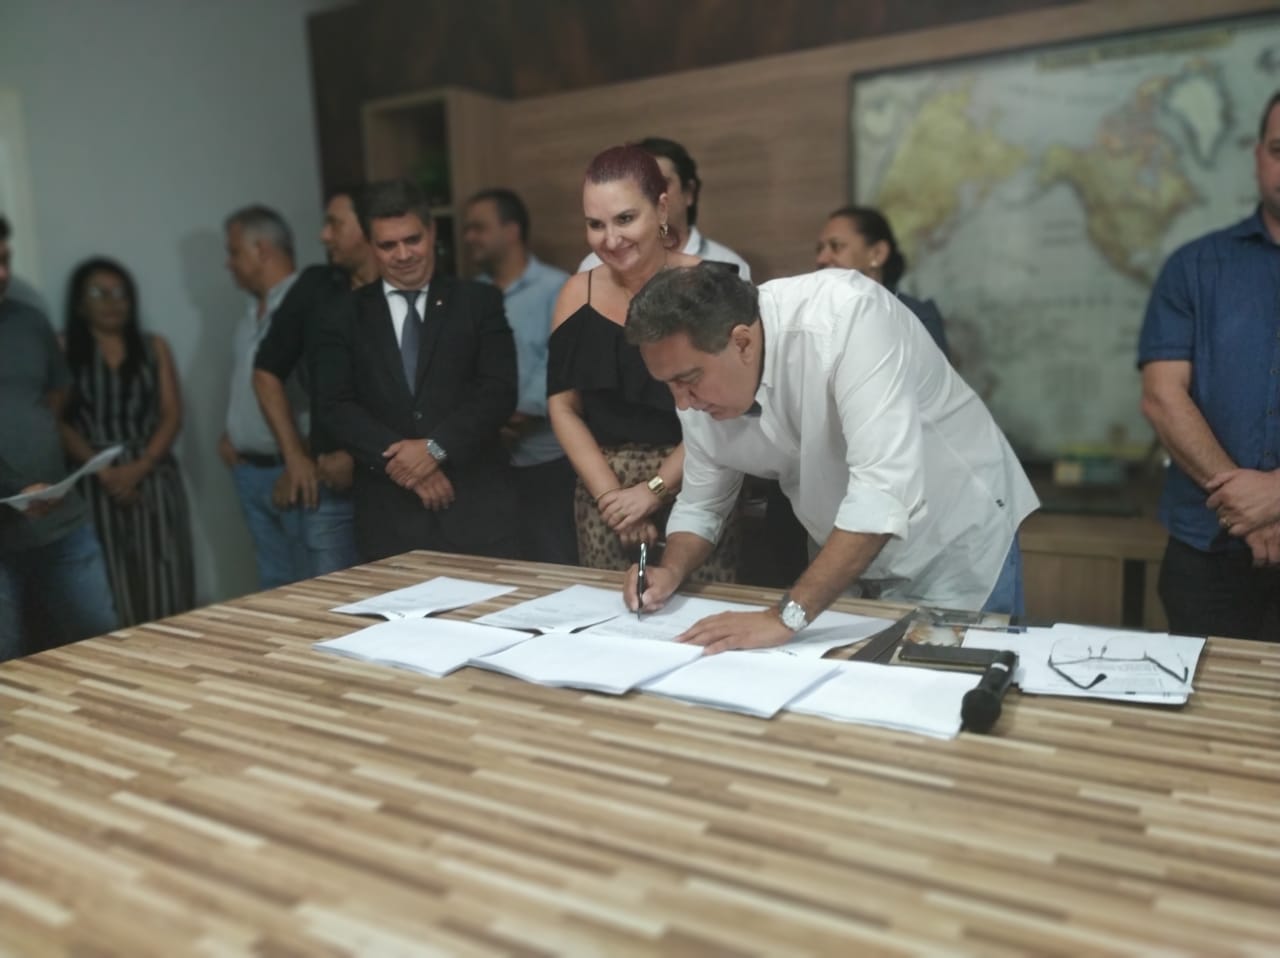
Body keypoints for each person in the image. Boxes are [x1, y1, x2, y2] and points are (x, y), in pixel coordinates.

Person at [623, 264, 1038, 654]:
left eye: (688, 381)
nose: (682, 402)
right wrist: (670, 571)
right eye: (668, 385)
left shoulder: (848, 318)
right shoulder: (699, 383)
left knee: (945, 690)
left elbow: (881, 493)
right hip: (844, 557)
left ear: (742, 342)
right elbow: (702, 505)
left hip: (949, 541)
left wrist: (784, 617)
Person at [549, 145, 741, 578]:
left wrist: (653, 490)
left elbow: (728, 407)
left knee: (703, 612)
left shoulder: (710, 284)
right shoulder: (575, 293)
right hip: (604, 495)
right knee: (607, 613)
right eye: (595, 224)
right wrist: (611, 498)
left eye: (625, 219)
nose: (610, 239)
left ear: (661, 209)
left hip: (698, 477)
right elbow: (563, 406)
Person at [314, 178, 520, 561]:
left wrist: (436, 449)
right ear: (370, 245)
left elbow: (498, 390)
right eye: (388, 245)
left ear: (432, 231)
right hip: (389, 518)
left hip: (476, 509)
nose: (403, 254)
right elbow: (334, 405)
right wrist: (408, 465)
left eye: (413, 240)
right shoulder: (341, 315)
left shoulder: (478, 302)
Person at [1137, 92, 1280, 641]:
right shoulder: (1194, 267)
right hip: (1207, 554)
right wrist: (1246, 508)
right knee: (1202, 698)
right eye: (1279, 149)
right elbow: (1162, 397)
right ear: (1257, 155)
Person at [0, 215, 117, 660]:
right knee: (11, 663)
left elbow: (56, 395)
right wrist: (15, 488)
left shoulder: (28, 321)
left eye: (6, 259)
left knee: (100, 642)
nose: (3, 273)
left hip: (61, 520)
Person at [252, 186, 379, 578]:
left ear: (368, 227)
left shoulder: (405, 288)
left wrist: (359, 456)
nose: (324, 236)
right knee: (334, 600)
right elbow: (266, 371)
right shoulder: (315, 286)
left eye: (334, 224)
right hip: (330, 488)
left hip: (397, 481)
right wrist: (294, 456)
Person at [60, 257, 195, 625]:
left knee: (165, 582)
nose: (112, 302)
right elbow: (57, 421)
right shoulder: (63, 348)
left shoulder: (154, 347)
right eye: (99, 293)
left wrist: (140, 467)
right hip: (92, 481)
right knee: (106, 587)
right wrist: (104, 472)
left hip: (152, 475)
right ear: (79, 303)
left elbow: (172, 415)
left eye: (120, 293)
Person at [463, 188, 577, 565]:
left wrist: (514, 413)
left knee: (556, 561)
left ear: (511, 230)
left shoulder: (558, 287)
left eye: (478, 228)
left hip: (549, 456)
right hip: (490, 457)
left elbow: (561, 360)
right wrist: (487, 417)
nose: (469, 237)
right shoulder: (472, 294)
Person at [220, 204, 307, 589]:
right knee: (274, 584)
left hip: (290, 470)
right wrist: (232, 432)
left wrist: (299, 458)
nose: (228, 263)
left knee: (308, 583)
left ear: (262, 250)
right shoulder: (250, 312)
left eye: (234, 252)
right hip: (249, 470)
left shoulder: (304, 304)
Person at [578, 137, 751, 281]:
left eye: (661, 183)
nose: (652, 193)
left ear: (688, 192)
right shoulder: (591, 270)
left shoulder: (726, 269)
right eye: (595, 224)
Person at [816, 206, 950, 358]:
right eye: (819, 249)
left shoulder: (917, 317)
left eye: (836, 246)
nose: (821, 259)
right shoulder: (814, 316)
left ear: (877, 253)